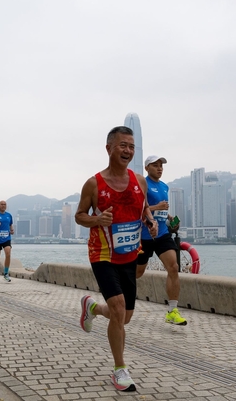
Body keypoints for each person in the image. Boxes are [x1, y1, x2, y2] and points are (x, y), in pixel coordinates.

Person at [75, 126, 157, 392]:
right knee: (119, 309)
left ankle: (92, 308)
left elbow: (144, 208)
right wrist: (98, 219)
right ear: (109, 148)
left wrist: (150, 221)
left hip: (130, 255)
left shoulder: (140, 181)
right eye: (123, 145)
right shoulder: (94, 184)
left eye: (131, 146)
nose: (128, 151)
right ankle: (120, 369)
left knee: (124, 316)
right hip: (102, 254)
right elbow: (80, 215)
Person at [136, 155, 187, 326]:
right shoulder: (142, 184)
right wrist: (157, 207)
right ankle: (117, 290)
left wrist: (170, 218)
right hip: (145, 235)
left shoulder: (165, 186)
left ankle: (172, 311)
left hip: (163, 234)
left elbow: (162, 211)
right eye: (155, 165)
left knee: (173, 267)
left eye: (161, 165)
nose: (159, 168)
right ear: (146, 168)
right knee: (138, 272)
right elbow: (138, 209)